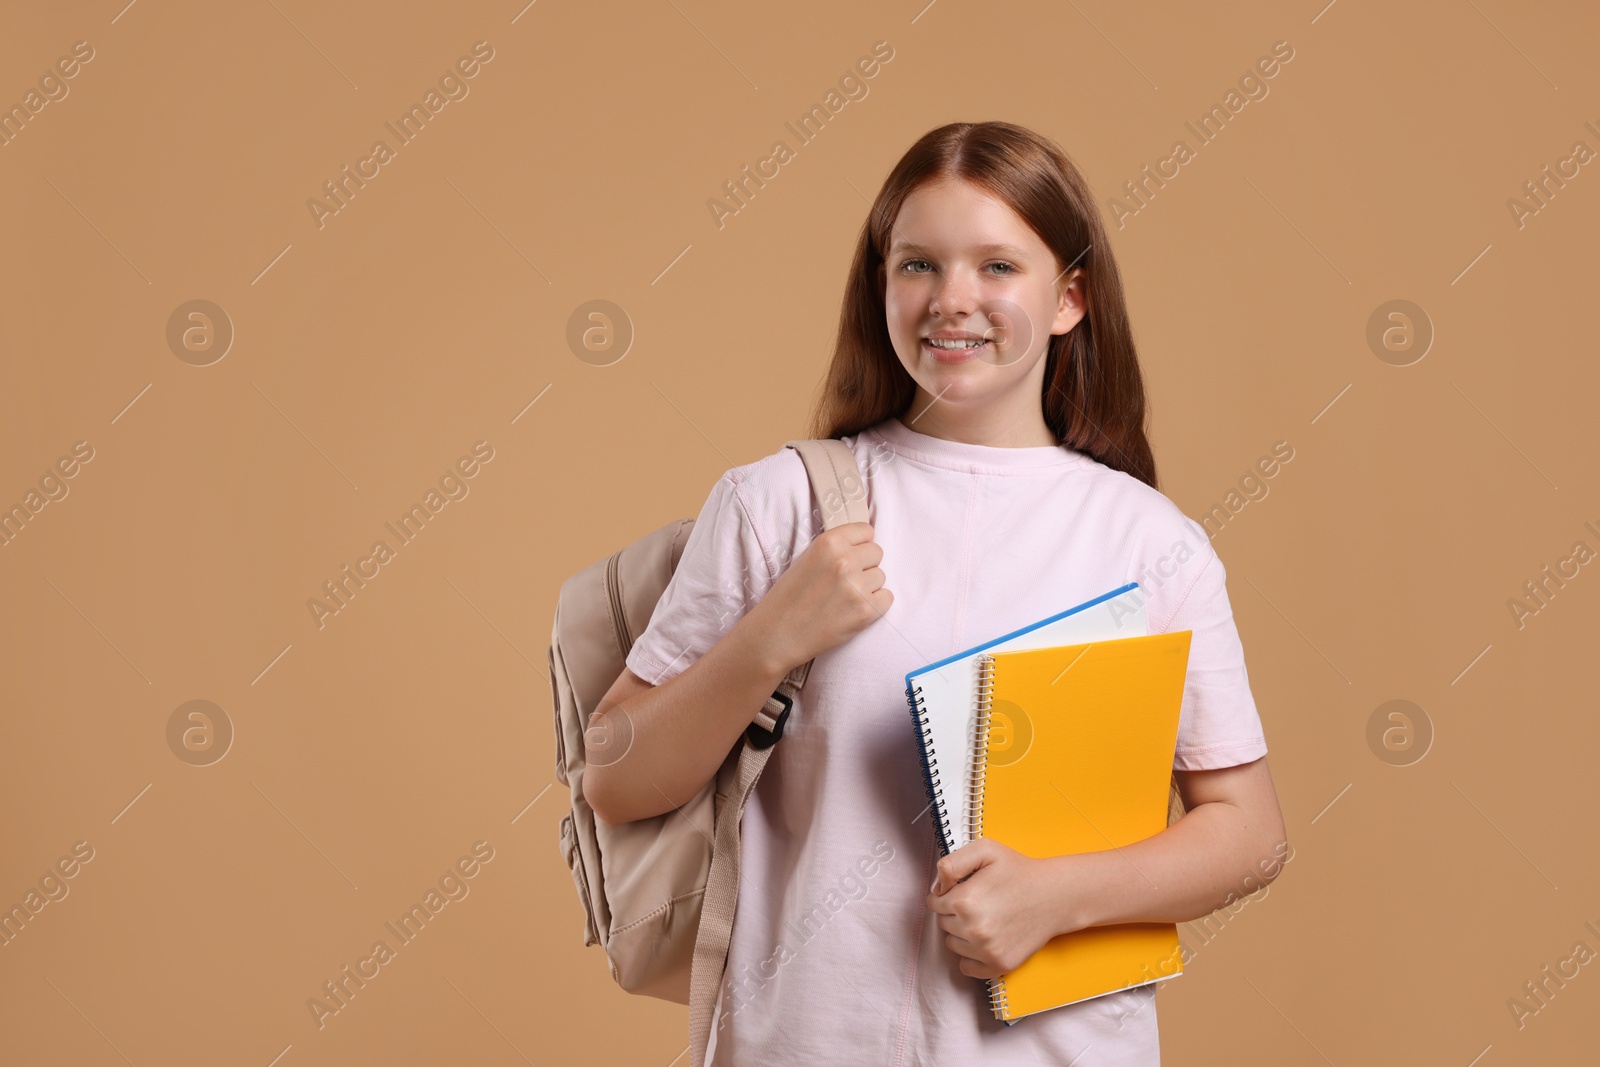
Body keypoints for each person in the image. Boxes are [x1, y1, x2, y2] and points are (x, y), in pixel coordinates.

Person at [584, 120, 1288, 1066]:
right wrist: (769, 641)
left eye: (998, 266)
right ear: (882, 286)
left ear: (1070, 298)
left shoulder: (1151, 543)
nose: (953, 300)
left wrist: (1056, 896)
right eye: (918, 264)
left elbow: (1250, 833)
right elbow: (617, 778)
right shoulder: (783, 504)